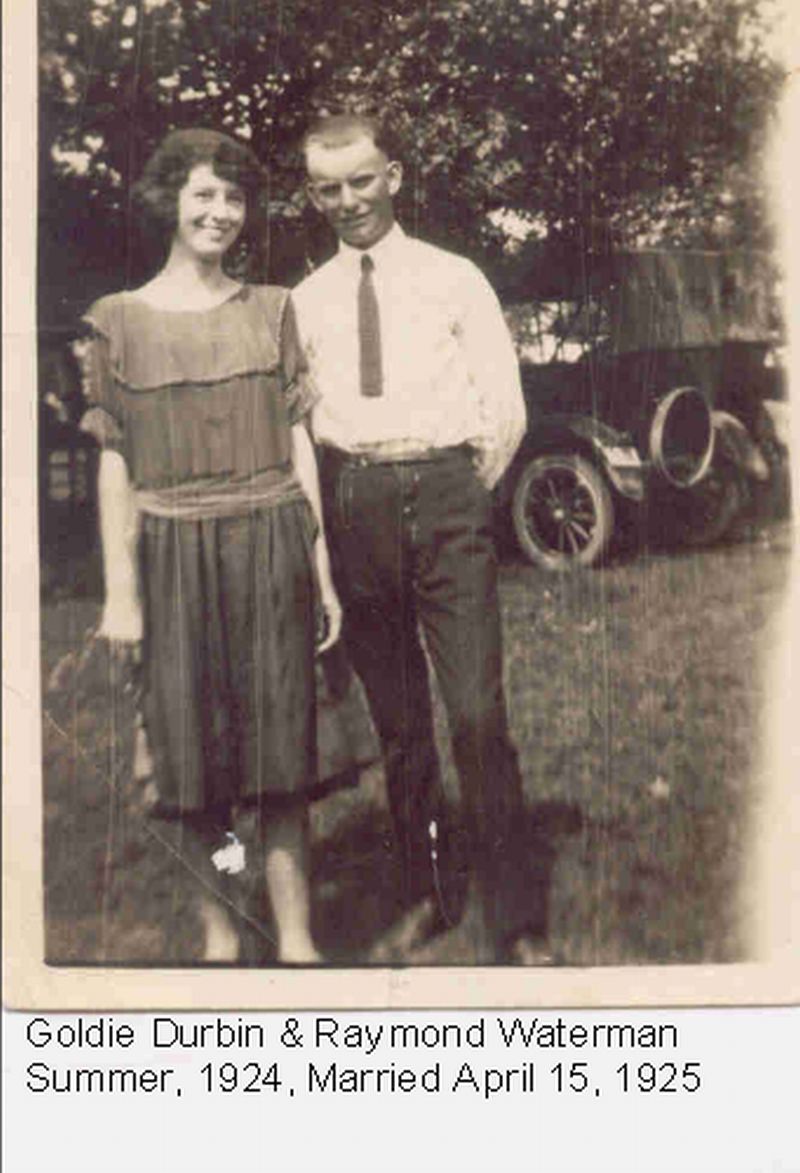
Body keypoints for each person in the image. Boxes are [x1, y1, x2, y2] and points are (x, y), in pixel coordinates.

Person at [81, 128, 341, 965]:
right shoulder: (117, 322)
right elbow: (115, 464)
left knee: (281, 757)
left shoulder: (273, 310)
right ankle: (223, 934)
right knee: (193, 766)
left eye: (234, 197)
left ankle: (296, 940)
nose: (221, 212)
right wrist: (121, 594)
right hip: (170, 558)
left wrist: (321, 569)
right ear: (170, 201)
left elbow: (300, 445)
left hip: (270, 546)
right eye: (204, 194)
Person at [293, 112, 547, 964]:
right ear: (313, 196)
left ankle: (516, 919)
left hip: (444, 495)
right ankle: (428, 894)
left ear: (394, 176)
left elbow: (504, 407)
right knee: (401, 727)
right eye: (328, 188)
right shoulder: (305, 301)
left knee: (476, 713)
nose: (347, 201)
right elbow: (304, 426)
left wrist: (456, 491)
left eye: (361, 180)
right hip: (354, 501)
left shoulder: (454, 278)